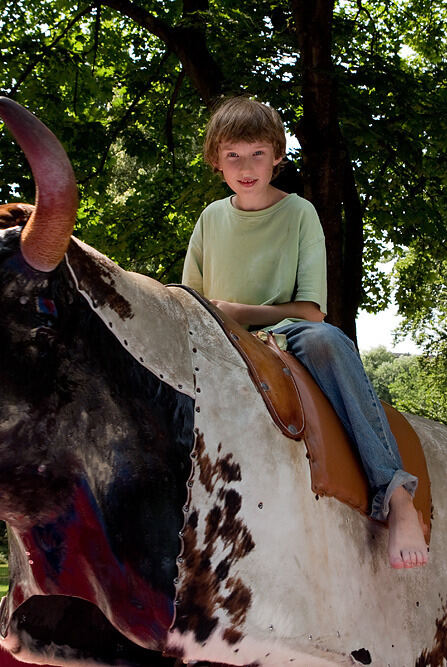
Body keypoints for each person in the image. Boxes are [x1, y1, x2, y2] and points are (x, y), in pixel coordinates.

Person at [181, 96, 429, 569]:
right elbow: (190, 301)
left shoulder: (299, 213)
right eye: (232, 154)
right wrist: (217, 320)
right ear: (216, 161)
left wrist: (240, 311)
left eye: (257, 153)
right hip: (222, 340)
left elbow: (312, 311)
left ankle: (397, 495)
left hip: (289, 332)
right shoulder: (211, 219)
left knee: (329, 341)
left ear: (277, 155)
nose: (246, 165)